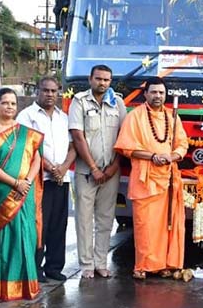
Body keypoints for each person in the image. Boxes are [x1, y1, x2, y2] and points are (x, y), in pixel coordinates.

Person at [114, 77, 189, 279]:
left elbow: (182, 144)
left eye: (161, 93)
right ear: (145, 94)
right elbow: (127, 147)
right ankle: (144, 266)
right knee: (145, 225)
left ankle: (165, 264)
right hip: (145, 179)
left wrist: (171, 157)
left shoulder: (172, 117)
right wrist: (153, 157)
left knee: (167, 224)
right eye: (154, 92)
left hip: (168, 178)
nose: (158, 96)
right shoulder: (135, 116)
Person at [0, 88, 43, 300]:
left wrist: (27, 182)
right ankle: (3, 287)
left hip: (25, 193)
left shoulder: (26, 132)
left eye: (13, 103)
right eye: (5, 103)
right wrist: (15, 183)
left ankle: (27, 285)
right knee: (5, 240)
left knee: (27, 236)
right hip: (1, 191)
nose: (9, 107)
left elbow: (37, 159)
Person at [17, 76, 76, 282]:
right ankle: (36, 268)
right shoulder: (26, 116)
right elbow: (28, 148)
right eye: (45, 90)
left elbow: (73, 146)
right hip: (39, 179)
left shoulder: (64, 117)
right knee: (39, 223)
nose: (50, 94)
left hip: (61, 179)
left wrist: (63, 168)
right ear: (37, 91)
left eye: (54, 91)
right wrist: (52, 168)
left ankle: (54, 267)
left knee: (59, 224)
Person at [69, 65, 126, 279]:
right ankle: (86, 265)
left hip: (111, 171)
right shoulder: (79, 101)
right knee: (84, 219)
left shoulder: (117, 103)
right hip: (86, 172)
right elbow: (77, 135)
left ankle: (101, 263)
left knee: (105, 218)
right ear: (90, 79)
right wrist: (93, 168)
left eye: (106, 80)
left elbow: (124, 138)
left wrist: (113, 167)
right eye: (99, 79)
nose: (102, 83)